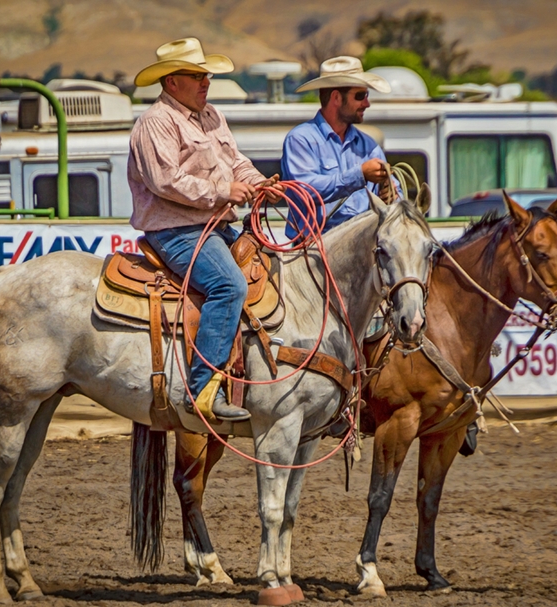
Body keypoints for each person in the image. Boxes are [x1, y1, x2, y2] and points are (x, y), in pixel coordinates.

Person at [128, 37, 280, 421]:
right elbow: (166, 180)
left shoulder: (212, 116)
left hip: (214, 225)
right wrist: (223, 191)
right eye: (196, 75)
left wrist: (260, 184)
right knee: (229, 285)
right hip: (176, 231)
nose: (205, 81)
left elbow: (236, 161)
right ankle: (204, 389)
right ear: (170, 82)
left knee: (275, 267)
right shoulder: (154, 123)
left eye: (206, 74)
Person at [281, 56, 396, 240]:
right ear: (336, 97)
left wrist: (391, 193)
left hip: (360, 247)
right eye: (360, 96)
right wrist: (359, 175)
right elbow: (305, 191)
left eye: (366, 95)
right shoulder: (301, 139)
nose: (366, 103)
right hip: (313, 249)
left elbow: (394, 192)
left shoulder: (369, 144)